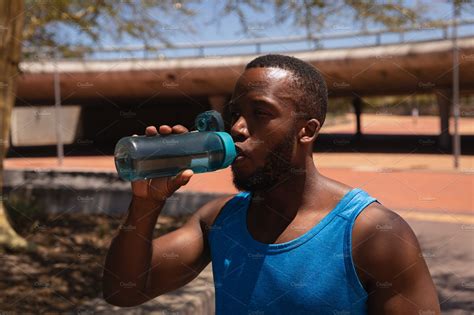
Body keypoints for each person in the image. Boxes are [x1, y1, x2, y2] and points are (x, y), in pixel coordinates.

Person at [102, 54, 440, 314]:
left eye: (260, 113)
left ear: (306, 130)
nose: (237, 128)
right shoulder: (219, 220)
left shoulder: (374, 234)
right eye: (235, 113)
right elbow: (125, 291)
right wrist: (146, 205)